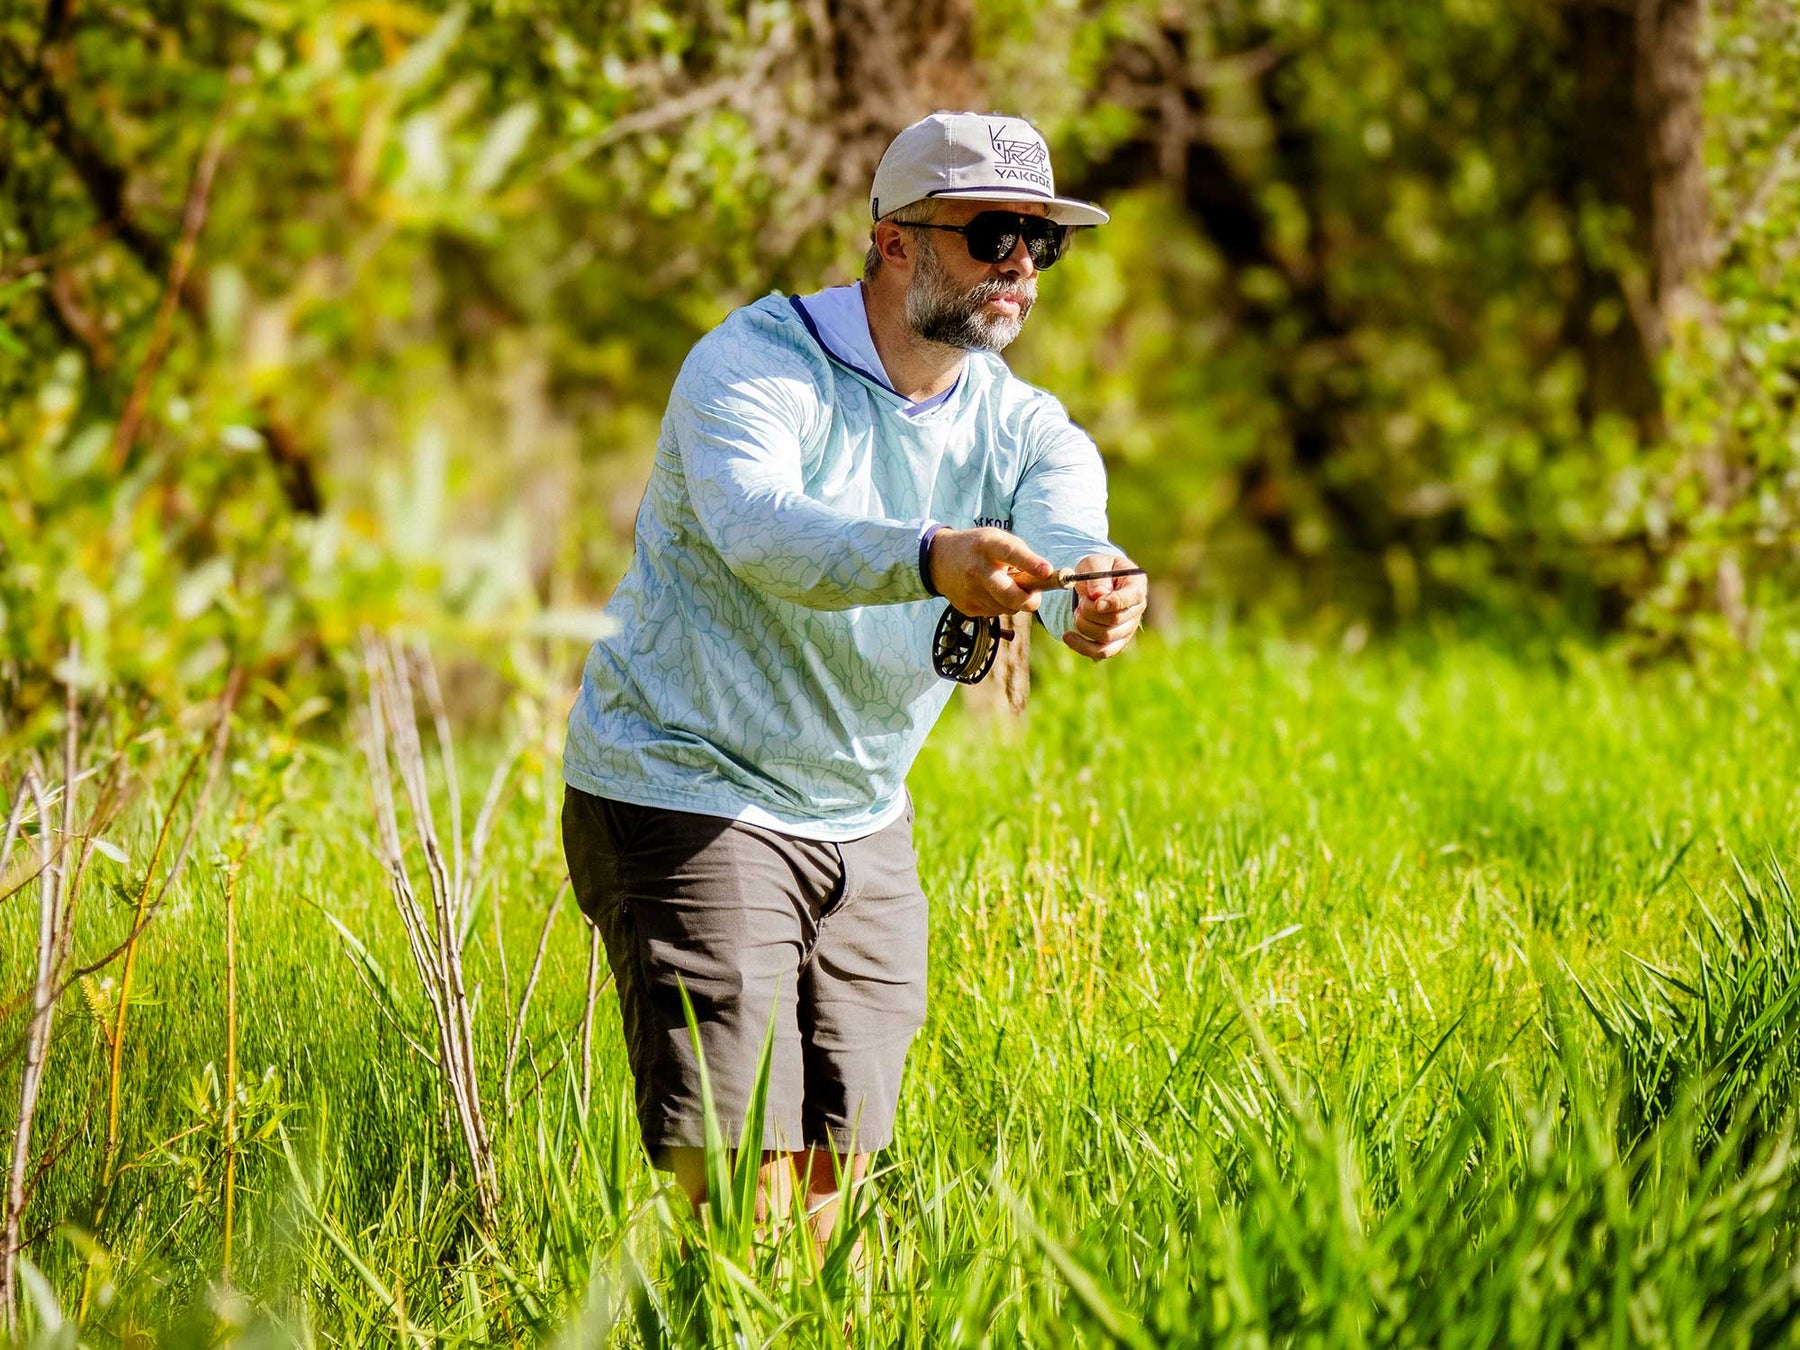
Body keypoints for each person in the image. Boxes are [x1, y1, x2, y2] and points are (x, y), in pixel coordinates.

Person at [561, 111, 1147, 1253]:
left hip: (864, 817)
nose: (1021, 265)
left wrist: (1098, 598)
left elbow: (1077, 544)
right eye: (992, 235)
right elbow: (762, 530)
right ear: (894, 242)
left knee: (840, 1170)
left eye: (1043, 242)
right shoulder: (753, 363)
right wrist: (933, 556)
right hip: (688, 787)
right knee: (740, 1185)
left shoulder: (1029, 427)